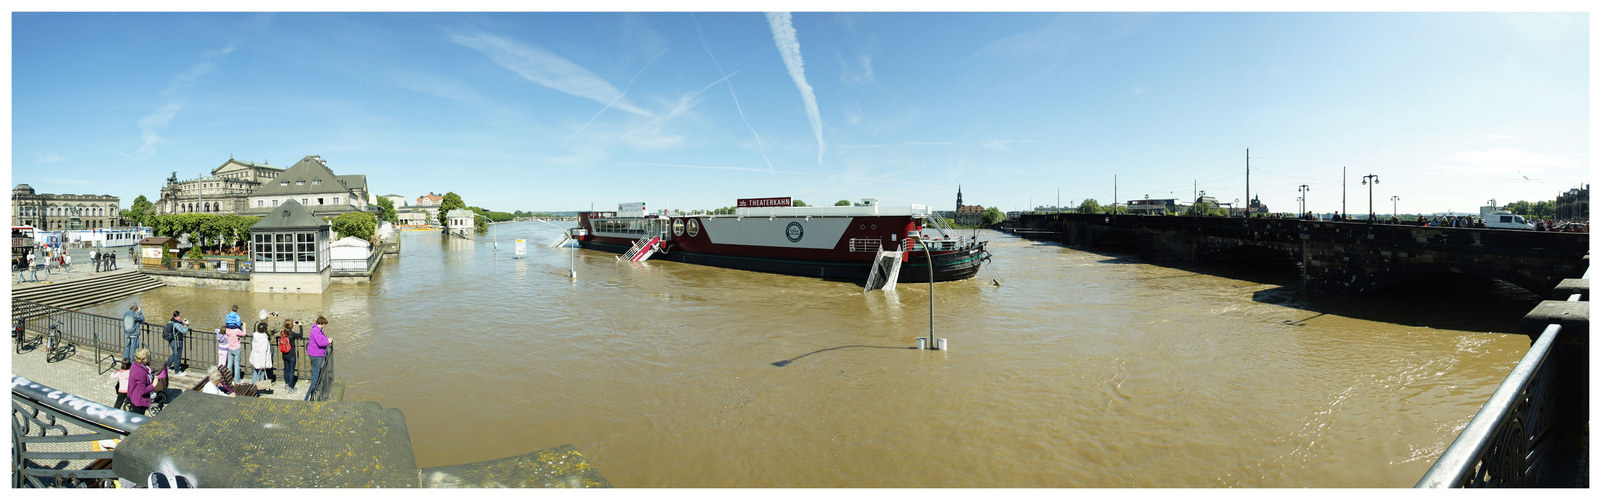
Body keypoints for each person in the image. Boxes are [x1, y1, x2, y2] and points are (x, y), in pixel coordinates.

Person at [126, 348, 166, 415]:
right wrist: (153, 385)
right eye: (147, 357)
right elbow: (142, 391)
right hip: (139, 401)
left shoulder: (135, 364)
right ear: (142, 360)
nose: (149, 358)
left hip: (134, 396)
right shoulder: (139, 372)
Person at [304, 316, 331, 400]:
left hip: (316, 353)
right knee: (315, 370)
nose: (325, 326)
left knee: (316, 369)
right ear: (322, 324)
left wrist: (327, 338)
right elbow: (320, 343)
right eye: (324, 324)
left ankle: (316, 385)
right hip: (315, 354)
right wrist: (328, 342)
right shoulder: (316, 330)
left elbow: (322, 338)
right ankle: (314, 388)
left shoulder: (318, 329)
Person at [278, 319, 301, 394]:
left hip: (284, 354)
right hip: (291, 355)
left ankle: (286, 384)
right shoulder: (292, 334)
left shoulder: (282, 332)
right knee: (291, 371)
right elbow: (300, 335)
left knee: (286, 370)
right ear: (291, 326)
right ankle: (291, 388)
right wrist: (300, 325)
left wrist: (291, 325)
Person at [163, 311, 189, 376]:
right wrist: (187, 325)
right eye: (180, 316)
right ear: (177, 316)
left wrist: (183, 323)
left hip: (171, 341)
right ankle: (177, 371)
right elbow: (184, 331)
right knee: (178, 356)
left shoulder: (171, 321)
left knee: (175, 354)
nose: (180, 317)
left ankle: (167, 366)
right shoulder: (176, 324)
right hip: (177, 342)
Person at [224, 306, 245, 381]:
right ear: (237, 310)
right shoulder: (237, 317)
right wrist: (243, 326)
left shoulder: (227, 330)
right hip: (236, 348)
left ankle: (228, 378)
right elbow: (239, 325)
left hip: (230, 348)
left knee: (229, 364)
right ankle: (237, 379)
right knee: (237, 364)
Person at [249, 321, 272, 386]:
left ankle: (253, 387)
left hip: (255, 356)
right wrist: (263, 364)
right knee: (261, 374)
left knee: (256, 373)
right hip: (260, 359)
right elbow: (263, 352)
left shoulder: (255, 336)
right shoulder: (264, 339)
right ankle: (260, 389)